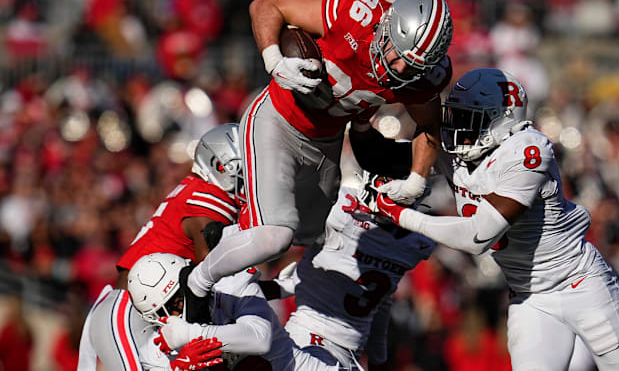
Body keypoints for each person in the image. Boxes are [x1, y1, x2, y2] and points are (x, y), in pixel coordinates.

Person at [186, 0, 454, 299]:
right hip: (278, 119)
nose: (398, 68)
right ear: (387, 25)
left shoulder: (421, 80)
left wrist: (416, 179)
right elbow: (266, 5)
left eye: (412, 66)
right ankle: (195, 284)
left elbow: (429, 126)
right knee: (273, 236)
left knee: (311, 237)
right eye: (398, 54)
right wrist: (274, 60)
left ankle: (236, 263)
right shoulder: (355, 11)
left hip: (325, 144)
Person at [375, 68, 619, 370]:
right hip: (529, 297)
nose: (459, 129)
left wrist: (400, 214)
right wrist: (360, 119)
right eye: (457, 116)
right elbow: (380, 155)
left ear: (503, 119)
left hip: (581, 285)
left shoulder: (528, 149)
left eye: (471, 118)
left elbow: (479, 235)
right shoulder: (463, 151)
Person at [77, 123, 245, 370]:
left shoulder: (196, 189)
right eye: (246, 166)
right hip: (132, 310)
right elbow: (212, 272)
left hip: (150, 315)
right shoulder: (210, 199)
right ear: (220, 164)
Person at [284, 167, 446, 370]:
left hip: (327, 345)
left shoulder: (340, 210)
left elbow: (382, 301)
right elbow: (383, 300)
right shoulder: (415, 243)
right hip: (313, 342)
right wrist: (379, 358)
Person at [127, 252, 343, 371]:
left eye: (179, 300)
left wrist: (192, 334)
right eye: (169, 309)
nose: (178, 314)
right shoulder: (156, 353)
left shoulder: (232, 284)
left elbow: (259, 339)